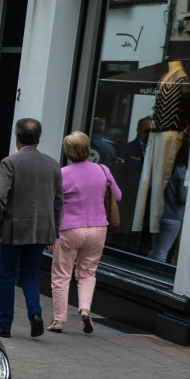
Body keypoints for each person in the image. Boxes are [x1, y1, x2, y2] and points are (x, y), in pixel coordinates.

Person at [0, 118, 63, 338]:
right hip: (41, 230)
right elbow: (58, 201)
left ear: (17, 137)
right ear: (38, 139)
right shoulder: (53, 164)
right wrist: (53, 232)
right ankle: (35, 314)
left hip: (13, 228)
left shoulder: (10, 162)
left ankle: (4, 324)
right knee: (29, 275)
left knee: (7, 277)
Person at [48, 131, 121, 333]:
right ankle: (85, 310)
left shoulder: (62, 174)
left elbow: (51, 203)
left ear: (68, 152)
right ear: (88, 149)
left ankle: (59, 320)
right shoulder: (103, 170)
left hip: (70, 229)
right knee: (88, 273)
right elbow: (118, 195)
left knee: (62, 275)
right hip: (98, 229)